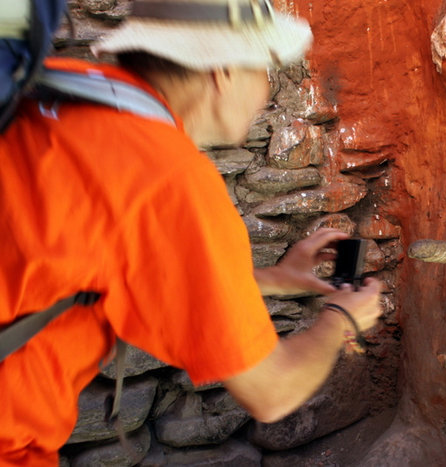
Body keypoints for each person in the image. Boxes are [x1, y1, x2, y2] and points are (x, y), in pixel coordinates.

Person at [0, 0, 383, 464]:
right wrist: (341, 319)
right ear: (222, 70)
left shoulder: (62, 92)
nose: (265, 91)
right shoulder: (168, 177)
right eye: (265, 71)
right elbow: (271, 391)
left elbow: (113, 270)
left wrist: (278, 280)